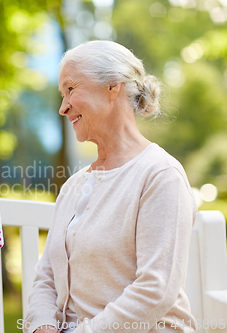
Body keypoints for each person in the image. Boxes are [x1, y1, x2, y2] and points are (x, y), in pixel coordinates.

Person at [24, 41, 196, 333]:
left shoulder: (160, 175)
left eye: (71, 89)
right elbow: (47, 278)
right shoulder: (73, 186)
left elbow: (155, 290)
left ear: (112, 87)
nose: (63, 107)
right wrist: (42, 326)